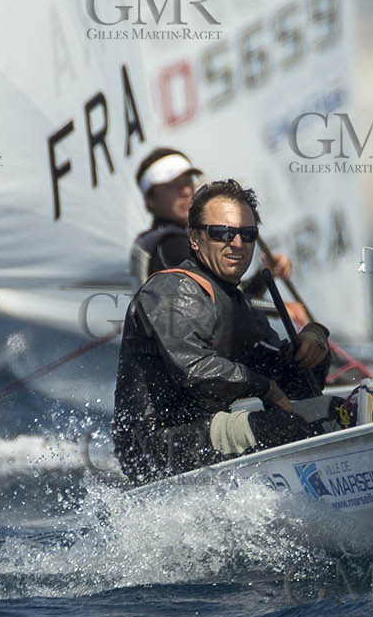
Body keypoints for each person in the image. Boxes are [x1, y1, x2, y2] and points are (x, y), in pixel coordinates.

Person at [112, 179, 339, 482]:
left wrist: (313, 343)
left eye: (248, 235)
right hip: (156, 447)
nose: (237, 243)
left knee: (336, 413)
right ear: (195, 238)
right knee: (285, 429)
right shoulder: (172, 290)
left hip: (212, 426)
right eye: (222, 233)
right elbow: (196, 372)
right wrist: (264, 388)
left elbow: (295, 386)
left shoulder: (237, 303)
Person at [132, 147, 292, 302]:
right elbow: (229, 303)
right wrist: (279, 308)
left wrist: (264, 276)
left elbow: (228, 297)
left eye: (188, 182)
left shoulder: (159, 242)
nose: (186, 191)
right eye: (171, 185)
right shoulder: (171, 245)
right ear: (150, 199)